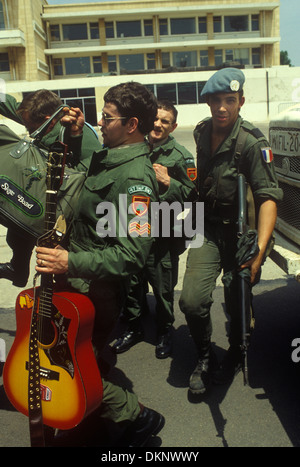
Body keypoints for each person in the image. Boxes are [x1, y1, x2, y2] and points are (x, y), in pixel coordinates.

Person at [35, 82, 165, 447]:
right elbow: (83, 179)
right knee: (73, 355)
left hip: (97, 292)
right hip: (76, 283)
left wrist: (68, 260)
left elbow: (132, 256)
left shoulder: (136, 181)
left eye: (107, 119)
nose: (100, 124)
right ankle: (89, 420)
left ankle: (134, 415)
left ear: (131, 124)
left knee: (69, 364)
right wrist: (75, 136)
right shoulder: (111, 155)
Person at [179, 67, 283, 395]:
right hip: (207, 227)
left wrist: (258, 251)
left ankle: (238, 350)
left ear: (241, 102)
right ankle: (205, 355)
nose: (222, 107)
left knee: (236, 295)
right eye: (216, 100)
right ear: (207, 102)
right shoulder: (200, 132)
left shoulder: (253, 142)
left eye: (230, 100)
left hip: (242, 233)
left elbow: (268, 199)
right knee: (192, 301)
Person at [112, 100, 197, 359]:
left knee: (162, 289)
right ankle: (135, 327)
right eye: (156, 119)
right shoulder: (132, 147)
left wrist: (169, 182)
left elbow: (194, 195)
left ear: (173, 127)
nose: (158, 125)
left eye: (165, 121)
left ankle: (164, 331)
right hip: (132, 231)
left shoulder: (181, 156)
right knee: (132, 283)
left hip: (162, 235)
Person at [0, 89, 101, 287]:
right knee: (18, 224)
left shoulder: (81, 135)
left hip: (67, 211)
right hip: (42, 196)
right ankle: (18, 269)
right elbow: (7, 102)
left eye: (30, 127)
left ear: (49, 120)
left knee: (62, 270)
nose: (29, 131)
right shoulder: (38, 117)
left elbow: (93, 176)